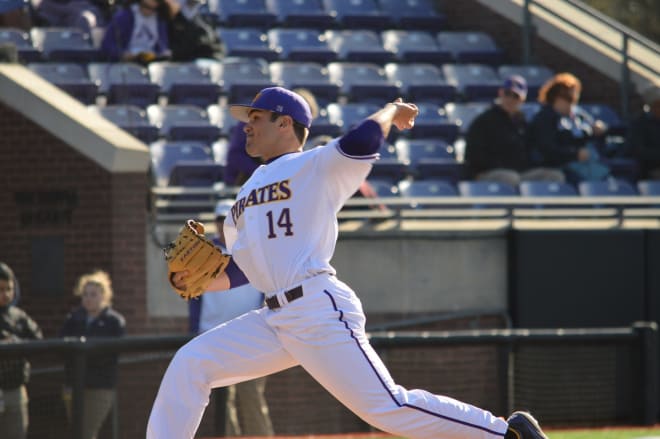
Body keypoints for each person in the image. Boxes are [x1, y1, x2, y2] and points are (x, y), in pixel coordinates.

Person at [147, 87, 548, 439]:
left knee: (388, 408)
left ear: (284, 122)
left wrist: (392, 110)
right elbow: (243, 269)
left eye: (255, 117)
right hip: (273, 318)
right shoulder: (244, 194)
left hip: (317, 307)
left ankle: (506, 432)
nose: (246, 126)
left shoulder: (315, 166)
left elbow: (361, 140)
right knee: (190, 363)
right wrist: (196, 281)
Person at [188, 200, 274, 436]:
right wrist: (194, 328)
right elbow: (194, 296)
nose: (223, 225)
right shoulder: (203, 254)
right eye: (219, 220)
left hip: (252, 336)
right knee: (223, 402)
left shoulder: (254, 251)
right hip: (213, 334)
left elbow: (266, 290)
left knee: (252, 398)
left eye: (228, 221)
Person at [60, 270, 126, 439]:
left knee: (87, 431)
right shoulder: (73, 318)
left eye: (93, 294)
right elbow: (63, 347)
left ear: (103, 296)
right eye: (85, 294)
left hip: (100, 386)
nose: (88, 298)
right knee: (76, 430)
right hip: (74, 384)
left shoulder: (114, 322)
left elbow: (111, 354)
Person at [465, 75, 564, 186]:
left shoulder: (523, 123)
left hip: (519, 174)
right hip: (487, 174)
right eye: (508, 94)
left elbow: (531, 152)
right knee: (511, 177)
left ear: (522, 100)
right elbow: (473, 156)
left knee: (554, 176)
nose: (510, 99)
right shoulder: (484, 121)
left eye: (516, 96)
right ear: (501, 93)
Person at [527, 72, 610, 184]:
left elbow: (590, 128)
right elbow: (548, 150)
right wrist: (575, 154)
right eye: (568, 98)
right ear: (555, 97)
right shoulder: (544, 118)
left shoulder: (577, 115)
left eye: (574, 98)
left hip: (583, 164)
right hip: (558, 167)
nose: (572, 103)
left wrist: (598, 129)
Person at [0, 262, 43, 439]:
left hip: (14, 388)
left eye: (9, 289)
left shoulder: (19, 317)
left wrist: (17, 343)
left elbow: (38, 340)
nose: (6, 294)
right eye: (1, 289)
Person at [99, 0, 171, 64]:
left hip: (153, 64)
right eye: (145, 6)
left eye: (152, 9)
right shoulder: (124, 16)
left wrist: (163, 53)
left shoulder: (160, 19)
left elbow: (163, 46)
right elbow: (107, 45)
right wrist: (123, 54)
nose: (147, 11)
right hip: (127, 64)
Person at [628, 83, 660, 180]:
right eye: (658, 105)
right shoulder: (639, 123)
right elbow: (640, 151)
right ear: (651, 106)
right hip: (651, 170)